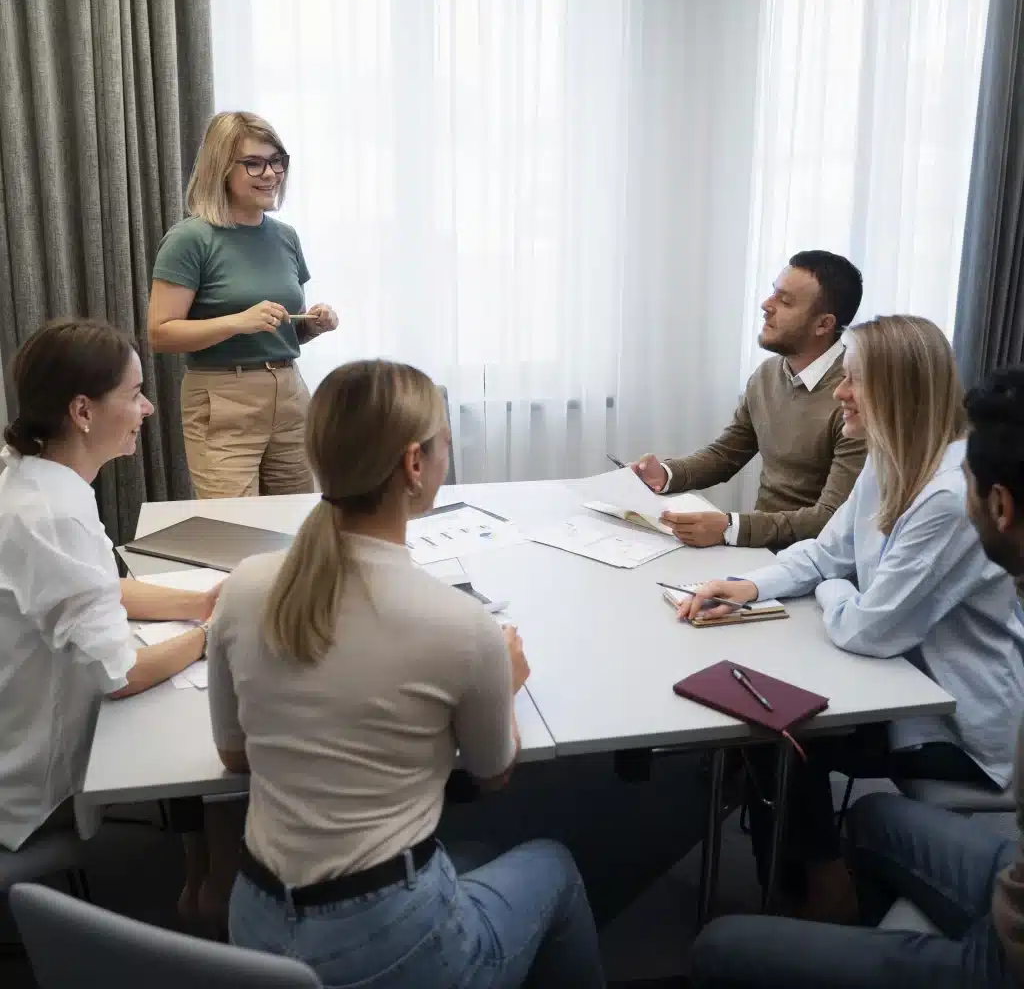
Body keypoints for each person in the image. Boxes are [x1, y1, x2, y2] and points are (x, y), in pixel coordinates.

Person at [206, 359, 605, 988]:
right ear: (415, 464)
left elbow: (234, 757)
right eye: (446, 442)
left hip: (254, 925)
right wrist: (508, 681)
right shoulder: (459, 624)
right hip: (385, 942)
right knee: (552, 865)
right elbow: (492, 771)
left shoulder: (245, 586)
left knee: (466, 858)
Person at [688, 364, 1024, 988]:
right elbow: (829, 549)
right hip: (911, 693)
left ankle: (807, 904)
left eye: (855, 379)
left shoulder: (945, 495)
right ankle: (814, 901)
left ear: (997, 505)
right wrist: (753, 584)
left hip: (956, 727)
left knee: (784, 740)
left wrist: (838, 586)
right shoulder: (888, 462)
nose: (839, 393)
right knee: (864, 817)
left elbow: (870, 627)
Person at [0, 319, 217, 851]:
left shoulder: (33, 477)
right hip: (34, 789)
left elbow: (101, 587)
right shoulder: (53, 515)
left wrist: (201, 602)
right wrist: (212, 634)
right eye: (136, 394)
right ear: (82, 412)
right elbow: (118, 675)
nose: (147, 409)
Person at [147, 110, 339, 500]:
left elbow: (280, 332)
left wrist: (311, 326)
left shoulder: (286, 237)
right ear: (221, 169)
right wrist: (237, 321)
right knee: (235, 530)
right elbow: (160, 334)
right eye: (253, 163)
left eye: (276, 161)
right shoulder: (190, 239)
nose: (270, 173)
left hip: (288, 392)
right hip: (222, 398)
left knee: (295, 519)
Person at [633, 250, 867, 549]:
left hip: (812, 560)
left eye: (785, 301)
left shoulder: (855, 397)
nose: (766, 306)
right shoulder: (768, 374)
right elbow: (725, 455)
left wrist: (730, 527)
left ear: (823, 325)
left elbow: (832, 518)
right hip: (759, 548)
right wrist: (663, 475)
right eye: (773, 293)